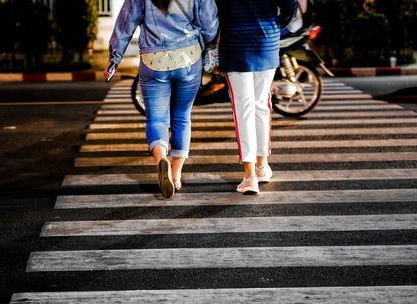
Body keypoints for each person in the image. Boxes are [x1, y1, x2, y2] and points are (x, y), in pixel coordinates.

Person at [103, 0, 219, 199]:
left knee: (156, 119)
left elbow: (125, 23)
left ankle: (160, 158)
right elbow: (209, 25)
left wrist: (114, 59)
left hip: (153, 59)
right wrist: (205, 41)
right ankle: (176, 175)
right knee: (182, 116)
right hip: (189, 57)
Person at [217, 0, 298, 194]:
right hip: (266, 43)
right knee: (262, 104)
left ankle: (249, 176)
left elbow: (213, 12)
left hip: (236, 46)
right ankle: (262, 166)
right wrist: (275, 26)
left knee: (243, 109)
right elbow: (291, 5)